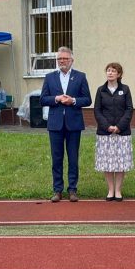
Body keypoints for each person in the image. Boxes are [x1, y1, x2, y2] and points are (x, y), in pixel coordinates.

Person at [40, 46, 92, 202]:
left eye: (65, 58)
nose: (62, 61)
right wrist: (56, 98)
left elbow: (87, 99)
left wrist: (73, 100)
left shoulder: (80, 77)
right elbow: (43, 99)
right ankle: (57, 190)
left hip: (73, 123)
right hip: (55, 124)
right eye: (59, 59)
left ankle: (72, 189)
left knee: (73, 158)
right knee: (56, 158)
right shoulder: (49, 77)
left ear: (71, 60)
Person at [94, 62, 134, 201]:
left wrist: (119, 126)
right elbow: (97, 110)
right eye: (108, 70)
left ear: (119, 74)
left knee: (120, 162)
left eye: (113, 71)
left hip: (122, 132)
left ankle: (118, 190)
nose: (110, 73)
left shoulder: (125, 89)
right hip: (105, 132)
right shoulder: (101, 90)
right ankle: (110, 190)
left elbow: (129, 109)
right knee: (107, 162)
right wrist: (107, 126)